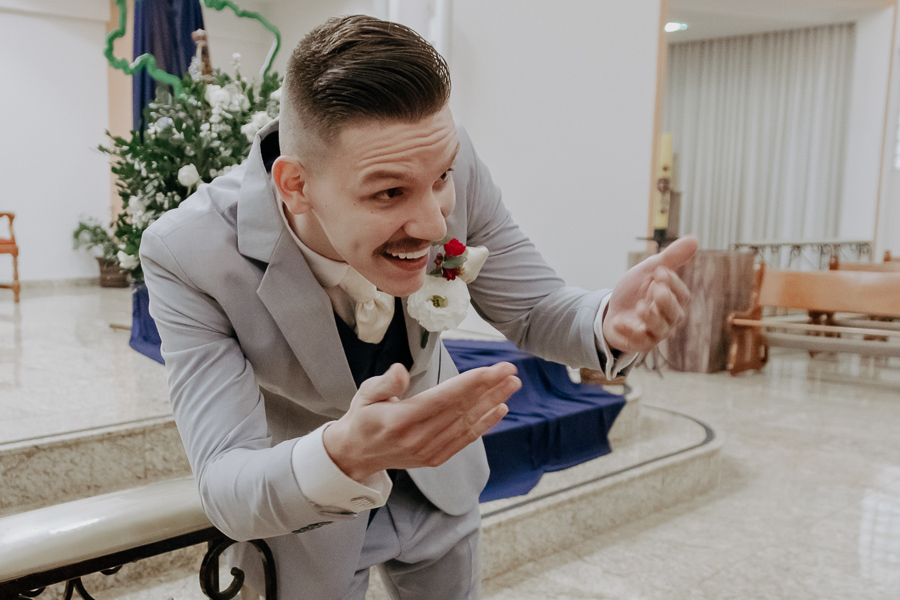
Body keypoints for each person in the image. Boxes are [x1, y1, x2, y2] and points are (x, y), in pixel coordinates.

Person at [140, 14, 697, 600]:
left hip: (443, 486)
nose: (435, 222)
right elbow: (226, 480)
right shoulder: (189, 252)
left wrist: (609, 320)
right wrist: (344, 453)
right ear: (295, 185)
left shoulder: (431, 162)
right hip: (303, 518)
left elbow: (533, 307)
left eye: (442, 179)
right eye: (389, 194)